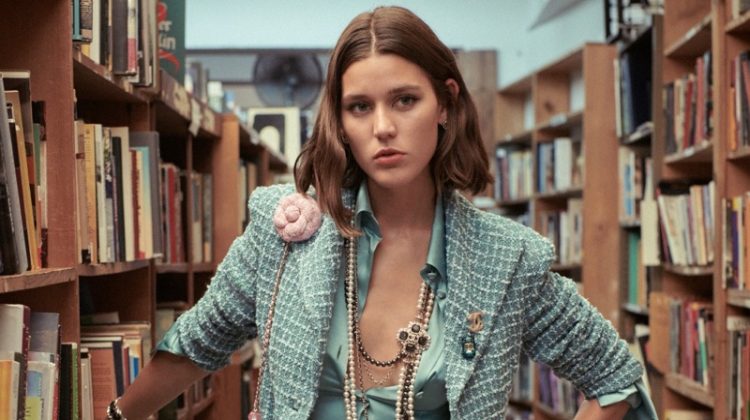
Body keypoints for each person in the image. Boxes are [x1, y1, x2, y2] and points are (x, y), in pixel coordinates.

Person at [112, 6, 657, 420]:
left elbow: (613, 378)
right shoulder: (282, 232)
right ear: (340, 120)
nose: (382, 128)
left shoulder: (508, 258)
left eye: (404, 100)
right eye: (360, 107)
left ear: (444, 103)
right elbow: (196, 344)